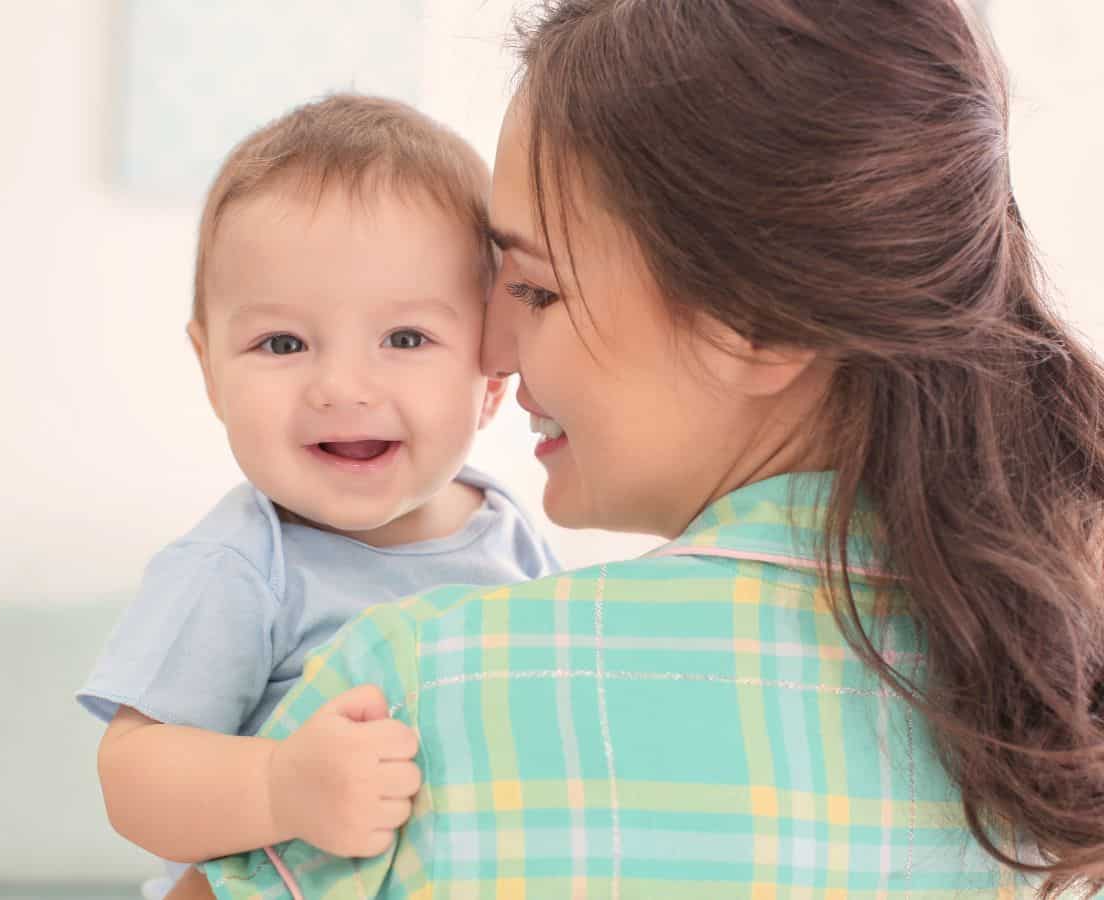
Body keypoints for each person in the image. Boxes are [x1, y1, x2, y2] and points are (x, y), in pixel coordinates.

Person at [179, 0, 1104, 896]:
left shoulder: (410, 694)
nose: (491, 350)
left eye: (536, 290)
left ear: (754, 322)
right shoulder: (1047, 705)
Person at [75, 94, 559, 898]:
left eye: (406, 338)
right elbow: (133, 774)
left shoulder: (508, 530)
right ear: (209, 369)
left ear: (491, 372)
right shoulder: (241, 566)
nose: (341, 386)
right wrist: (280, 786)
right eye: (283, 343)